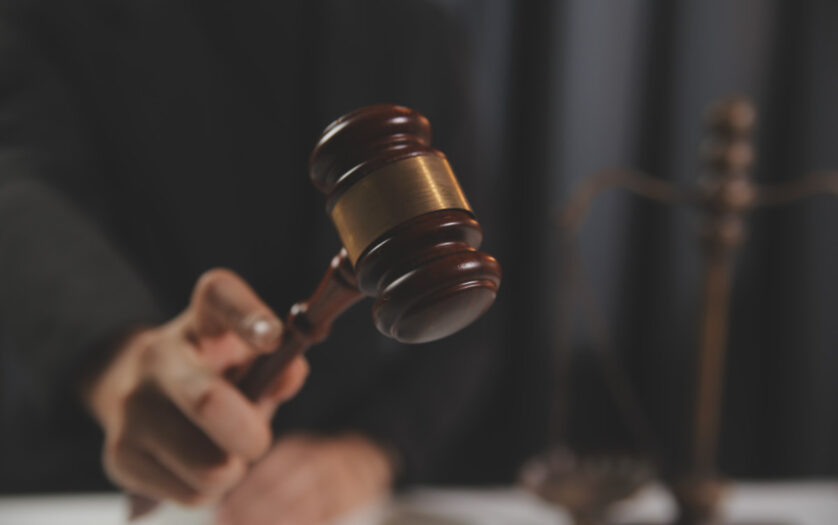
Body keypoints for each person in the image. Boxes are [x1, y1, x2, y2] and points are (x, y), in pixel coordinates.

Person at [0, 1, 506, 524]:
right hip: (88, 474)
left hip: (346, 488)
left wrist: (368, 453)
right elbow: (18, 176)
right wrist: (121, 364)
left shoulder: (408, 21)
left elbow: (465, 289)